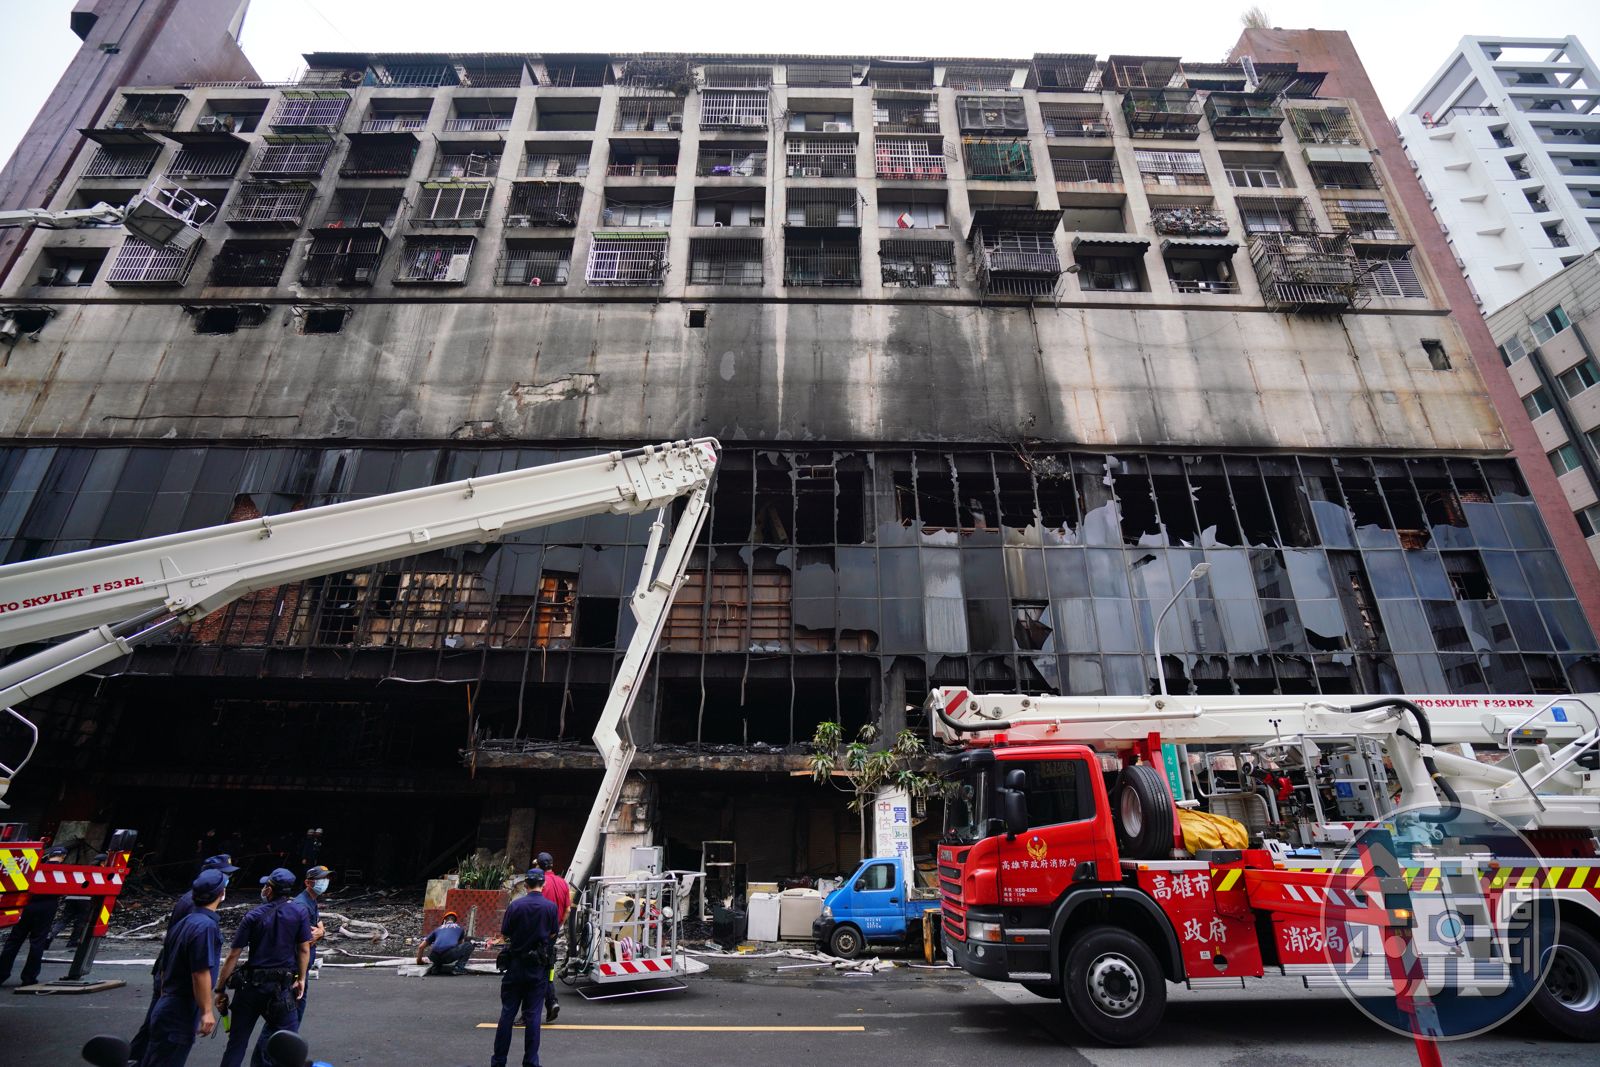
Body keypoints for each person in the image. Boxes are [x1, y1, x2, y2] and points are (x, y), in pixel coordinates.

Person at [129, 854, 240, 1063]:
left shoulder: (191, 913)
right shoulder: (202, 923)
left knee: (156, 1044)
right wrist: (207, 1010)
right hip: (180, 998)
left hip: (172, 990)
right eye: (223, 877)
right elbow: (200, 971)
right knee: (166, 1051)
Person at [214, 868, 311, 1067]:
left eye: (266, 885)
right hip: (281, 990)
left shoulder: (254, 916)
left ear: (269, 890)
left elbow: (233, 955)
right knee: (289, 1045)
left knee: (236, 1044)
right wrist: (301, 978)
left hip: (249, 988)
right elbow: (303, 949)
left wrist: (220, 989)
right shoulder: (299, 913)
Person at [491, 868, 559, 1067]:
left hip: (515, 965)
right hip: (537, 968)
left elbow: (506, 932)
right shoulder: (550, 907)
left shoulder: (516, 906)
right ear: (543, 885)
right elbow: (553, 933)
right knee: (533, 1016)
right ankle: (530, 1062)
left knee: (507, 1014)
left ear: (526, 885)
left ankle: (499, 1061)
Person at [0, 845, 68, 987]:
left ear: (49, 856)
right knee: (38, 942)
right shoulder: (63, 872)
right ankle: (29, 977)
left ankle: (1, 973)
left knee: (14, 941)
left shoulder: (35, 868)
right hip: (47, 906)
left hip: (26, 904)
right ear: (63, 857)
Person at [292, 865, 332, 1023]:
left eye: (326, 878)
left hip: (305, 964)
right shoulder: (301, 905)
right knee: (294, 1006)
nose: (325, 881)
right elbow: (307, 938)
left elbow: (319, 926)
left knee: (297, 1005)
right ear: (308, 882)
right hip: (297, 966)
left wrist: (321, 932)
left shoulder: (311, 901)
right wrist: (319, 932)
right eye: (321, 879)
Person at [535, 853, 570, 1023]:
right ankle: (551, 1001)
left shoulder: (539, 883)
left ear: (539, 866)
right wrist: (558, 926)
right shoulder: (563, 882)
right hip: (553, 933)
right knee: (548, 967)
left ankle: (548, 1002)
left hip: (538, 933)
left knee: (536, 970)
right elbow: (568, 910)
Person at [49, 852, 108, 949]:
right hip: (86, 899)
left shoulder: (84, 870)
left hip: (71, 898)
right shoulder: (101, 872)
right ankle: (72, 941)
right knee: (80, 921)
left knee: (64, 919)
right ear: (102, 862)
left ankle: (50, 936)